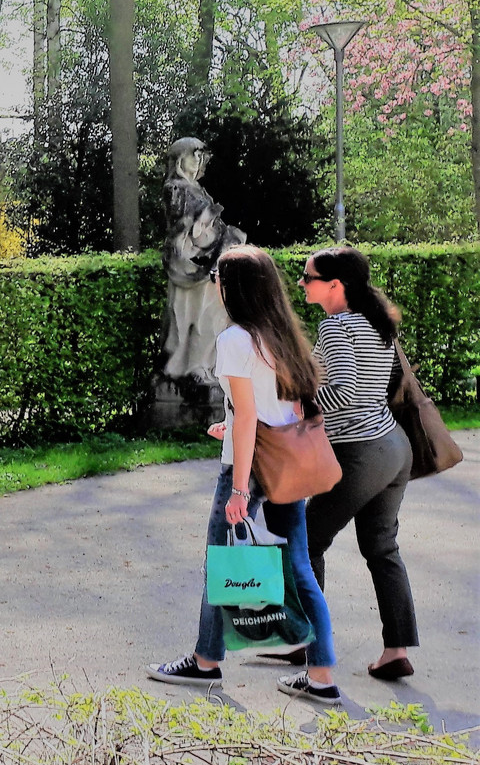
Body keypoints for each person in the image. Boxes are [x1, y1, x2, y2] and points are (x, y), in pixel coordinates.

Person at [148, 245, 342, 705]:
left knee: (222, 559)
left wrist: (238, 488)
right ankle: (322, 676)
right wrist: (231, 423)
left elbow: (252, 414)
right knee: (297, 568)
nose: (213, 279)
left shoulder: (237, 339)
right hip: (284, 462)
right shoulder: (282, 335)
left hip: (250, 468)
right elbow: (283, 407)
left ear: (232, 287)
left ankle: (206, 662)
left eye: (217, 273)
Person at [269, 246, 416, 681]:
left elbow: (347, 391)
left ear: (336, 285)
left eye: (308, 277)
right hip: (393, 447)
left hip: (360, 451)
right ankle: (396, 650)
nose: (301, 283)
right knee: (382, 547)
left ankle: (312, 652)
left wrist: (302, 405)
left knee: (307, 541)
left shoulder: (337, 326)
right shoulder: (377, 321)